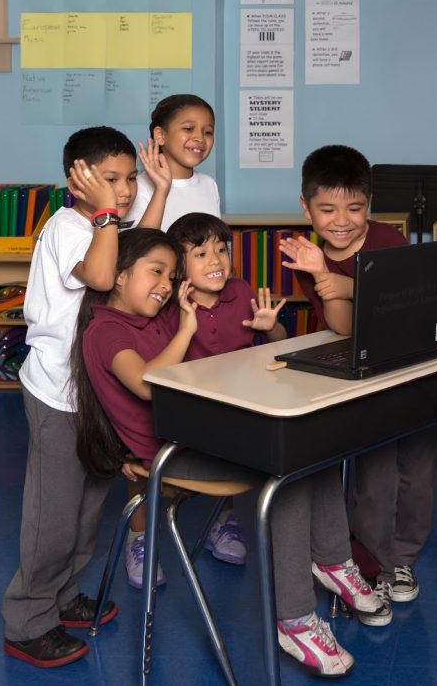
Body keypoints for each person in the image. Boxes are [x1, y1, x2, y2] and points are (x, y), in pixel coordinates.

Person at [73, 227, 384, 678]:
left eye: (169, 276)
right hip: (174, 452)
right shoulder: (107, 330)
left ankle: (334, 562)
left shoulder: (148, 318)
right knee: (286, 474)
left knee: (312, 445)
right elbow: (144, 384)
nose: (164, 286)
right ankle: (295, 619)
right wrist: (187, 328)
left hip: (199, 434)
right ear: (118, 277)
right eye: (155, 272)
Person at [2, 125, 147, 668]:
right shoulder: (68, 226)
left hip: (94, 391)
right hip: (57, 394)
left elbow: (143, 248)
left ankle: (63, 596)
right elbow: (104, 275)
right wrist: (107, 213)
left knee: (88, 509)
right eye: (111, 179)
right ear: (78, 180)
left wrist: (153, 193)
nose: (124, 190)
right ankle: (27, 621)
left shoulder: (106, 225)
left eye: (130, 179)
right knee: (54, 515)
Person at [279, 144, 437, 624]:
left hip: (417, 374)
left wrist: (348, 284)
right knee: (375, 477)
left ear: (369, 204)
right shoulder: (311, 257)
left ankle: (403, 558)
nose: (341, 221)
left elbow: (408, 303)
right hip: (367, 381)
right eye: (327, 209)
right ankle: (376, 563)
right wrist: (322, 275)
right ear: (306, 207)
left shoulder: (390, 241)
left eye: (354, 208)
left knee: (418, 472)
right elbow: (344, 326)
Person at [115, 212, 288, 591]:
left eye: (221, 250)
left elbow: (279, 342)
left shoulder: (241, 291)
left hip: (234, 413)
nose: (215, 260)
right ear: (179, 267)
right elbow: (145, 378)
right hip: (181, 414)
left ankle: (224, 521)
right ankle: (139, 538)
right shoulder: (166, 305)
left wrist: (271, 328)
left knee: (243, 451)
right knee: (140, 464)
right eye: (201, 253)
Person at [125, 93, 219, 231]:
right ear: (160, 135)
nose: (200, 138)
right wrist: (161, 190)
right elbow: (136, 243)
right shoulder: (137, 187)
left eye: (208, 132)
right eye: (188, 129)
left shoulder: (209, 184)